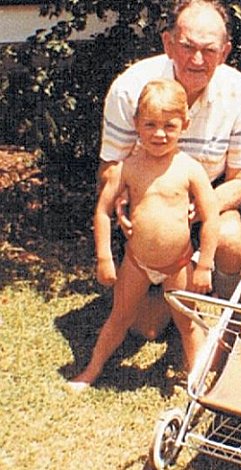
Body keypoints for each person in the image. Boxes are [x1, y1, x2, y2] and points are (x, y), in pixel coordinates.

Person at [98, 0, 241, 338]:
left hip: (204, 205)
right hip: (147, 211)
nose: (197, 59)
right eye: (187, 47)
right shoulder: (130, 88)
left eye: (209, 50)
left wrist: (202, 208)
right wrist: (121, 199)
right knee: (146, 329)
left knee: (231, 239)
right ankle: (176, 297)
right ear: (168, 43)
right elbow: (110, 167)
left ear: (225, 52)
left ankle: (222, 313)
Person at [68, 79, 220, 391]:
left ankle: (198, 381)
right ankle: (91, 370)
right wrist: (104, 257)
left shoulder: (190, 168)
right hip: (136, 263)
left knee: (187, 323)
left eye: (169, 126)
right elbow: (103, 211)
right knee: (119, 317)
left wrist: (204, 264)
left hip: (178, 264)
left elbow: (211, 216)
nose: (159, 134)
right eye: (150, 124)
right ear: (136, 123)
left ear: (185, 125)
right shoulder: (127, 168)